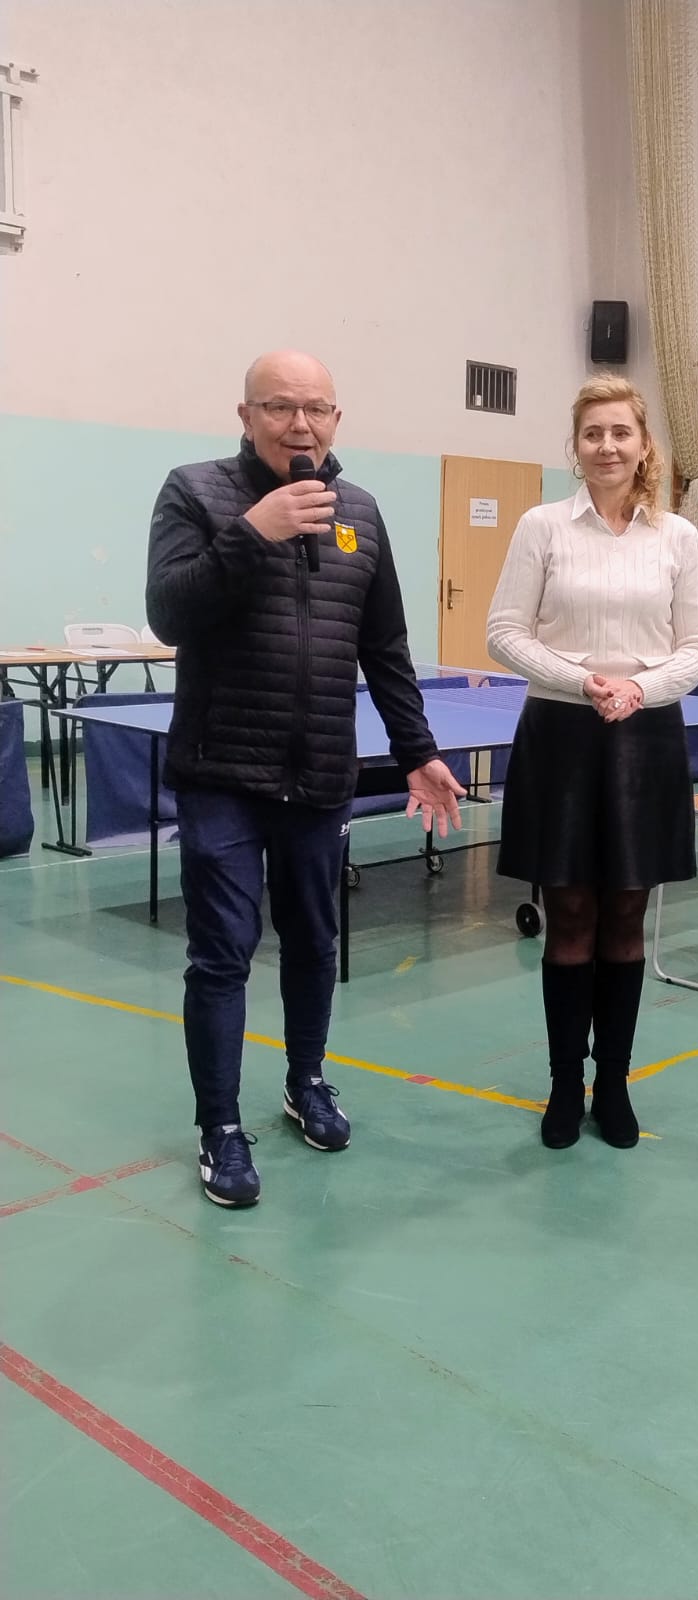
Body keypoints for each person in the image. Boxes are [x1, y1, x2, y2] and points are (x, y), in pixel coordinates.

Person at [146, 350, 465, 1208]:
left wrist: (418, 750)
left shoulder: (359, 512)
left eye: (316, 408)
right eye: (279, 406)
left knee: (316, 942)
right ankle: (219, 1126)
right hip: (221, 770)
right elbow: (168, 613)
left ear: (336, 419)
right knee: (222, 953)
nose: (300, 424)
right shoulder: (194, 492)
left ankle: (306, 1081)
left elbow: (384, 647)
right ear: (245, 415)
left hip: (319, 771)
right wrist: (255, 532)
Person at [486, 374, 698, 1150]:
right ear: (576, 445)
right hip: (561, 734)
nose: (608, 446)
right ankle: (565, 1086)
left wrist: (639, 689)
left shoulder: (677, 537)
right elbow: (504, 632)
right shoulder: (542, 527)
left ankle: (612, 1085)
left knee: (625, 912)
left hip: (646, 737)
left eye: (622, 432)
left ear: (644, 444)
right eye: (594, 433)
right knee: (570, 915)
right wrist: (580, 680)